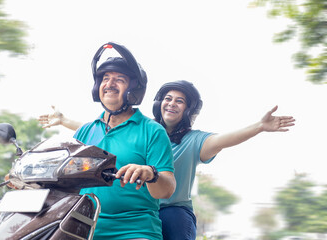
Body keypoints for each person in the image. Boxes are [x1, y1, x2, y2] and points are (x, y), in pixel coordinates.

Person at [39, 80, 295, 240]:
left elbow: (226, 139)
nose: (172, 104)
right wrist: (63, 121)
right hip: (133, 209)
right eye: (168, 99)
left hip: (170, 208)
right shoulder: (143, 131)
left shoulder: (194, 141)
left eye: (180, 101)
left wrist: (259, 127)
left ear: (188, 111)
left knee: (173, 220)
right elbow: (100, 135)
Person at [43, 42, 176, 240]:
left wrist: (150, 173)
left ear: (134, 90)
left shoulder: (152, 131)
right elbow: (66, 182)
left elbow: (166, 190)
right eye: (105, 78)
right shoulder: (86, 131)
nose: (110, 84)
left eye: (119, 79)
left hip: (135, 230)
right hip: (81, 228)